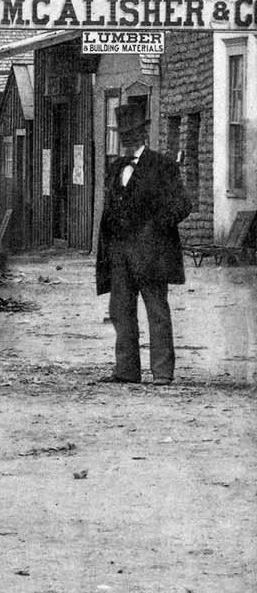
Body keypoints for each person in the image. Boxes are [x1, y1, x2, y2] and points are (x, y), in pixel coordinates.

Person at [96, 104, 191, 385]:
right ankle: (126, 370)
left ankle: (162, 373)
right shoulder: (115, 168)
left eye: (132, 133)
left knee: (157, 311)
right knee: (120, 312)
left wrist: (155, 229)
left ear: (143, 132)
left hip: (152, 254)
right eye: (123, 134)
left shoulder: (162, 165)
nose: (127, 138)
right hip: (120, 255)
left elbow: (183, 204)